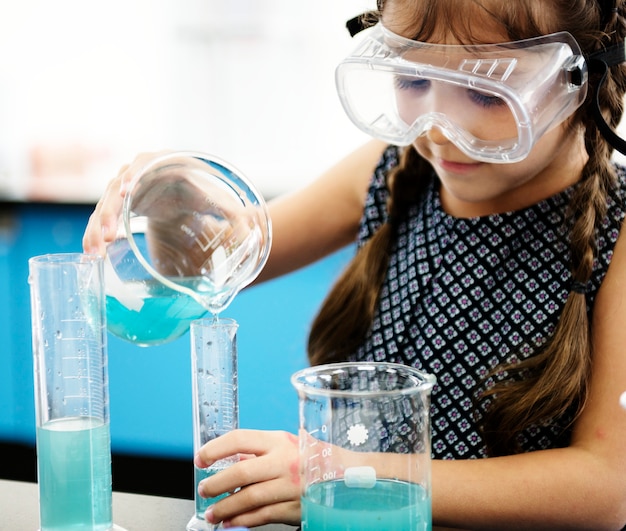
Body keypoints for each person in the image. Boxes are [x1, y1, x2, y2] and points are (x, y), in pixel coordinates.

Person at [83, 0, 626, 528]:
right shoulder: (394, 170)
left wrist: (338, 472)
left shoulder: (618, 229)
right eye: (413, 82)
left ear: (583, 77)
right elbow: (213, 262)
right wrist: (168, 199)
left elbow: (604, 488)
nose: (436, 128)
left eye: (484, 91)